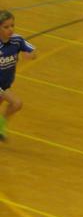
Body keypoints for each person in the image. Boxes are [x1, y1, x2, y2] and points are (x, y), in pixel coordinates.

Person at [0, 11, 37, 142]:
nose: (10, 29)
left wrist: (30, 55)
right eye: (6, 27)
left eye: (12, 25)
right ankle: (1, 126)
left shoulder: (17, 40)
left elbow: (33, 51)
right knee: (16, 103)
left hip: (6, 83)